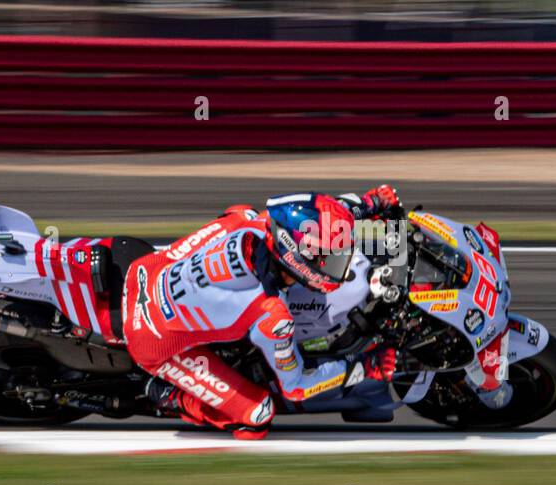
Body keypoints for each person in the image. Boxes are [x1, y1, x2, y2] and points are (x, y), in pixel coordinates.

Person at [122, 186, 400, 439]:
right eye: (329, 258)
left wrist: (370, 203)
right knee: (258, 416)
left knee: (239, 213)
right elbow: (297, 386)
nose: (340, 263)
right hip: (152, 336)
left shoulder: (258, 222)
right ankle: (165, 395)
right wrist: (365, 367)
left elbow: (317, 215)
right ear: (296, 258)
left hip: (148, 269)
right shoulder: (272, 315)